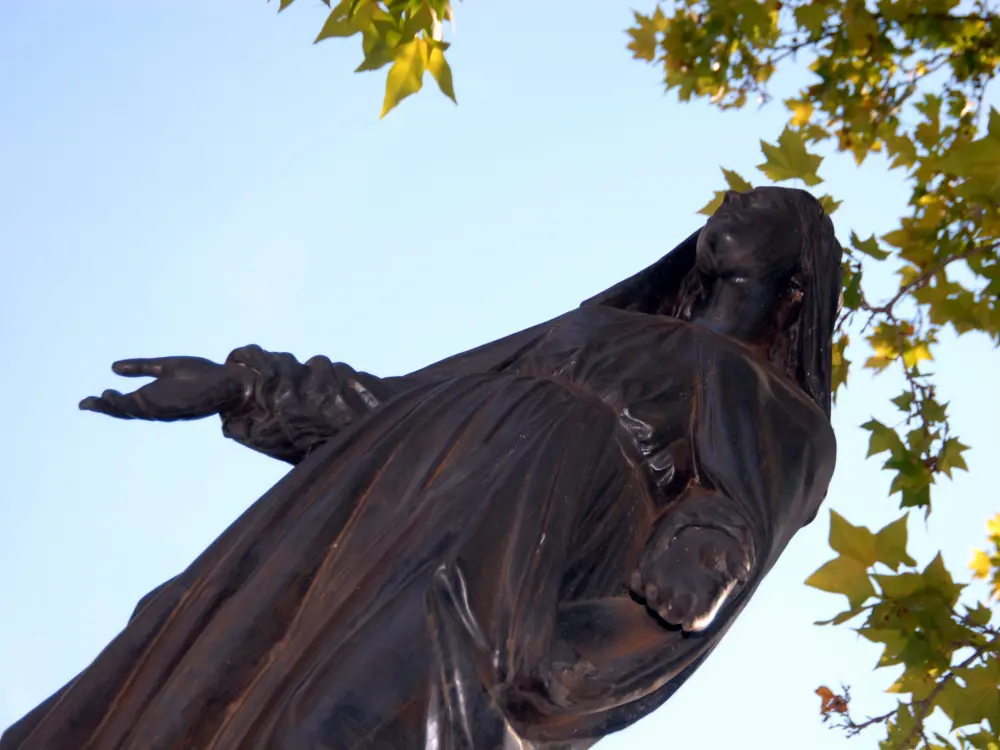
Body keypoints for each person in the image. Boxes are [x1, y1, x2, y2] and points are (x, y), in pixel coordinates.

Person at [1, 187, 842, 750]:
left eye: (760, 206)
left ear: (800, 264)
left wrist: (693, 560)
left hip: (523, 524)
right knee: (215, 643)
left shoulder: (782, 410)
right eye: (732, 197)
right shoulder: (593, 327)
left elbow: (736, 515)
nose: (733, 208)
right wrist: (246, 383)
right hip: (380, 489)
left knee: (370, 690)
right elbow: (393, 400)